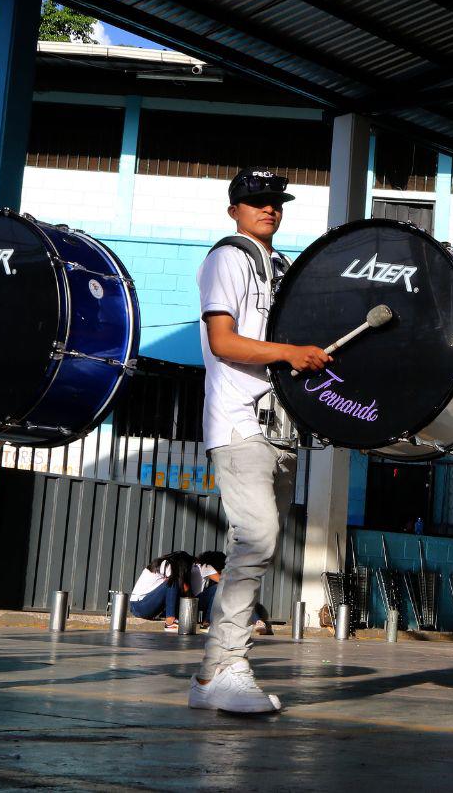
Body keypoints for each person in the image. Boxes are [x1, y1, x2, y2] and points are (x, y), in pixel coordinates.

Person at [188, 168, 330, 715]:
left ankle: (211, 676)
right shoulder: (229, 256)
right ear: (235, 210)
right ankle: (225, 666)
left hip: (281, 427)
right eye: (256, 201)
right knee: (256, 540)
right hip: (239, 422)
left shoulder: (281, 266)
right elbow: (223, 341)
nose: (268, 209)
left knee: (261, 547)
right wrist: (291, 353)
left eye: (275, 201)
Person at [130, 551, 196, 630]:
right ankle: (170, 622)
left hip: (142, 606)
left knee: (175, 584)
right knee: (173, 581)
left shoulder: (164, 565)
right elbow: (181, 586)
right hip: (139, 606)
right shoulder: (166, 563)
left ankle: (172, 617)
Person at [193, 550, 225, 627]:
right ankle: (208, 620)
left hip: (194, 601)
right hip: (194, 602)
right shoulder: (206, 567)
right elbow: (224, 582)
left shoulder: (199, 567)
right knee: (219, 587)